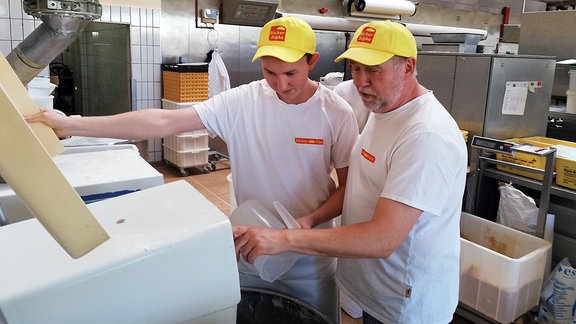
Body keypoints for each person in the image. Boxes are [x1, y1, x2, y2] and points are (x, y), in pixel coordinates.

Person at [25, 16, 359, 323]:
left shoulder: (335, 112)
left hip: (308, 257)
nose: (280, 84)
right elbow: (163, 120)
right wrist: (72, 125)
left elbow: (348, 188)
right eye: (270, 73)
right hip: (248, 249)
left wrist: (306, 224)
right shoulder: (243, 101)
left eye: (291, 74)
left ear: (311, 62)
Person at [232, 20, 468, 324]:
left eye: (373, 70)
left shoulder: (426, 134)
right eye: (355, 68)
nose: (360, 81)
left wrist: (285, 239)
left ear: (408, 67)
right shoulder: (385, 111)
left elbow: (384, 238)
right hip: (370, 290)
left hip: (404, 305)